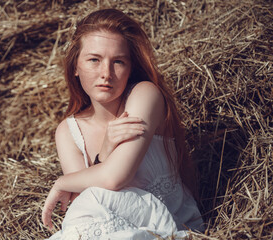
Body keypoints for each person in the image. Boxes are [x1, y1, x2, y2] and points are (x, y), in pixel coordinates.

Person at [42, 8, 204, 239]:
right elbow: (85, 203)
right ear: (75, 66)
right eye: (94, 60)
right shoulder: (68, 131)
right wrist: (104, 153)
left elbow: (114, 178)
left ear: (131, 69)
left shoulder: (145, 95)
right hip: (105, 227)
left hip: (168, 226)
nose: (106, 73)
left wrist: (61, 183)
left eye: (118, 62)